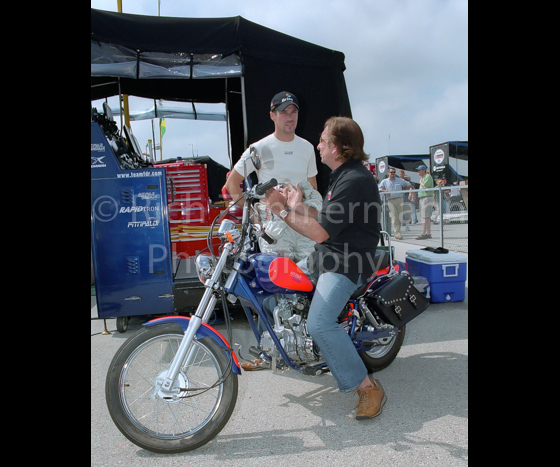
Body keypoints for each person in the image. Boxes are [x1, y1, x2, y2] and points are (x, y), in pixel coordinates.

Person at [259, 116, 386, 420]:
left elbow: (319, 232)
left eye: (323, 140)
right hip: (326, 256)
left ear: (339, 147)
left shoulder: (355, 180)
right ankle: (276, 350)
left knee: (320, 324)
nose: (318, 145)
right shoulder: (342, 176)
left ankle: (367, 387)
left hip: (347, 262)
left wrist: (280, 210)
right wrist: (295, 205)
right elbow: (325, 217)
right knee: (274, 283)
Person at [223, 91, 321, 261]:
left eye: (293, 112)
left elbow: (313, 188)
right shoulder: (260, 148)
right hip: (275, 227)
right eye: (283, 112)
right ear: (272, 115)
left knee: (309, 277)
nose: (289, 117)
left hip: (303, 224)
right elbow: (232, 184)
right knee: (279, 280)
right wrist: (255, 219)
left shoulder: (307, 148)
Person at [378, 168, 412, 239]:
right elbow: (379, 188)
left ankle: (398, 232)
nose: (392, 173)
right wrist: (385, 190)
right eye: (391, 172)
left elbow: (408, 184)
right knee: (394, 217)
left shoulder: (399, 180)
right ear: (388, 173)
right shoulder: (385, 181)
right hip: (390, 201)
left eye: (393, 172)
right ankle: (397, 233)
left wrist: (404, 191)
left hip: (399, 199)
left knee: (399, 217)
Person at [413, 164, 434, 239]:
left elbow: (425, 186)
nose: (418, 171)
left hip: (426, 198)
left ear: (424, 170)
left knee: (425, 217)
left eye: (419, 170)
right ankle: (428, 233)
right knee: (426, 217)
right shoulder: (424, 177)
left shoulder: (427, 177)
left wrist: (421, 182)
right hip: (423, 198)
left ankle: (423, 233)